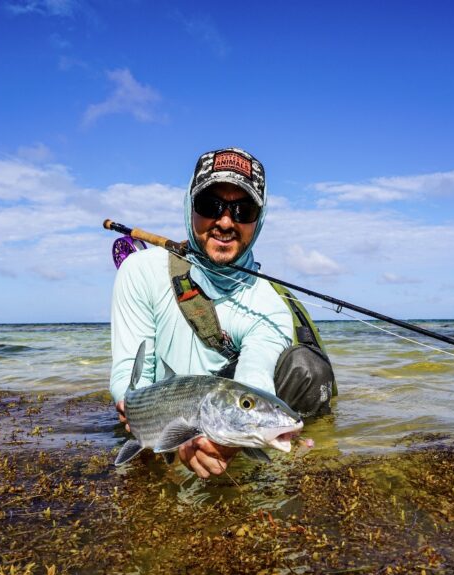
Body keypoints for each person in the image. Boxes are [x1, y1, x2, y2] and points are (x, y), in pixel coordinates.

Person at [109, 147, 334, 479]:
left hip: (216, 417)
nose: (226, 222)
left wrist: (237, 434)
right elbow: (130, 373)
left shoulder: (269, 304)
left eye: (243, 210)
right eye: (210, 206)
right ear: (189, 206)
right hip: (159, 418)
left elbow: (254, 378)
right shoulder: (139, 270)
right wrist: (143, 416)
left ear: (260, 218)